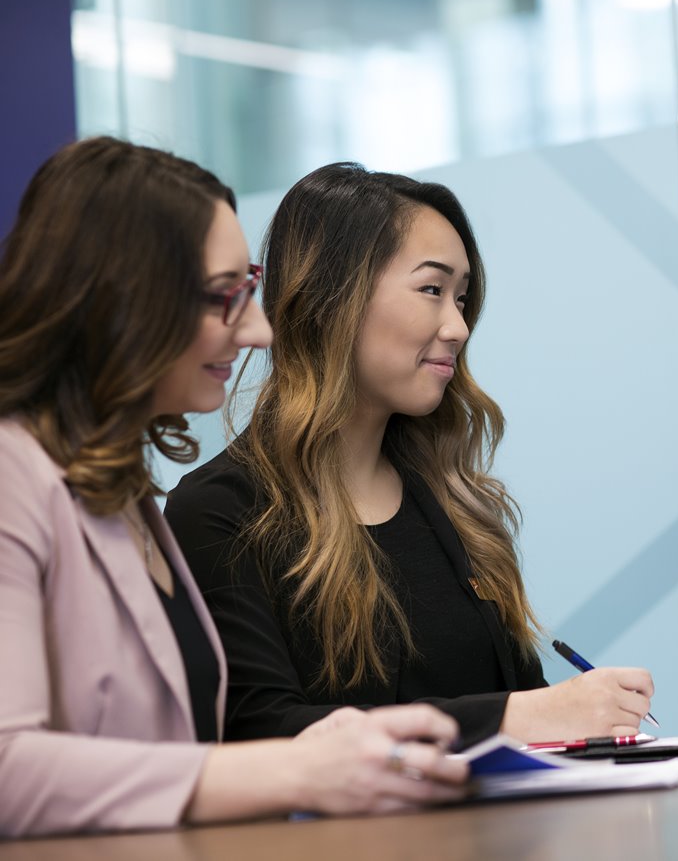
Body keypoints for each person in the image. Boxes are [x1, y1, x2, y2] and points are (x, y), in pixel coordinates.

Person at [0, 138, 469, 838]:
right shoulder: (13, 474)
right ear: (121, 296)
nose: (255, 328)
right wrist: (300, 768)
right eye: (227, 296)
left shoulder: (122, 494)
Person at [164, 162, 653, 747]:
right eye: (432, 290)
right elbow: (261, 732)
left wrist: (580, 722)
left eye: (463, 298)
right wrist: (520, 717)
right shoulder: (221, 512)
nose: (458, 326)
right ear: (333, 294)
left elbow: (529, 716)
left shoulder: (457, 505)